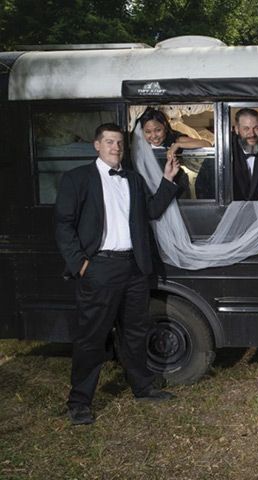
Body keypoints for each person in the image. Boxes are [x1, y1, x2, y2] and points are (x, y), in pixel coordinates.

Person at [55, 123, 181, 426]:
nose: (115, 148)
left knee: (135, 332)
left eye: (119, 143)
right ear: (97, 145)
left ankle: (142, 387)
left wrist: (167, 180)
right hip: (99, 269)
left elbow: (151, 212)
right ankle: (80, 401)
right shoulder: (76, 179)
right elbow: (63, 225)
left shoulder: (133, 179)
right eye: (109, 142)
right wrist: (81, 264)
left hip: (134, 268)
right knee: (92, 337)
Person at [196, 108, 258, 200]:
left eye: (255, 128)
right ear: (237, 129)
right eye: (246, 128)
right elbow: (202, 185)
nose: (252, 133)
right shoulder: (224, 148)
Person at [139, 108, 211, 199]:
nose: (153, 136)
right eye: (148, 132)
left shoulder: (175, 139)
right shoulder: (139, 146)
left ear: (165, 126)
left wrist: (177, 145)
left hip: (177, 189)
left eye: (158, 130)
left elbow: (207, 144)